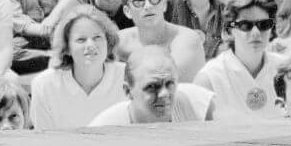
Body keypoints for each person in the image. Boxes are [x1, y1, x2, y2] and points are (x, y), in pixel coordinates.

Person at [29, 5, 126, 130]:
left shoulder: (127, 76)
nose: (91, 45)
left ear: (108, 42)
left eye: (97, 37)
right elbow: (44, 140)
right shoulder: (44, 85)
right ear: (67, 48)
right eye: (81, 40)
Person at [192, 0, 282, 120]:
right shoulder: (209, 80)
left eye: (264, 25)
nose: (256, 33)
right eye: (246, 25)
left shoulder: (288, 71)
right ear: (229, 31)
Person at [88, 46, 216, 126]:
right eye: (152, 86)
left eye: (170, 83)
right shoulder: (105, 129)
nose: (164, 93)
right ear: (128, 91)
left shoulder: (198, 103)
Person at [116, 0, 206, 83]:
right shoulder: (120, 41)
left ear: (164, 5)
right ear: (127, 11)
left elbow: (167, 81)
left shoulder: (186, 39)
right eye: (139, 1)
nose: (148, 6)